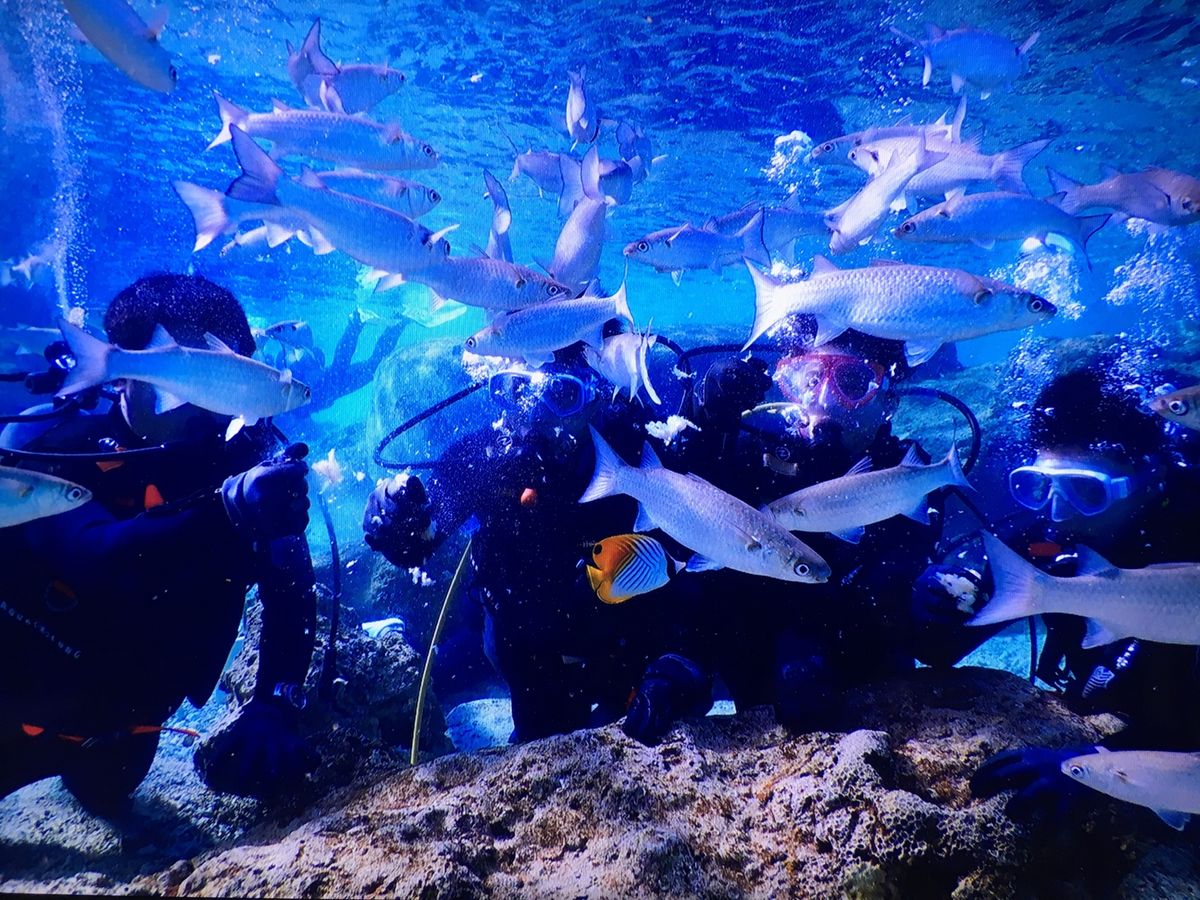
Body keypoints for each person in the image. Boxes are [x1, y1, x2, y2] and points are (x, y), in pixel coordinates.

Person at [0, 273, 318, 812]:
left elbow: (290, 586)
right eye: (192, 371)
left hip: (124, 725)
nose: (208, 399)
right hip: (13, 697)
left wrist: (275, 701)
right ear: (123, 372)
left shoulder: (244, 456)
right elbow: (92, 559)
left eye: (228, 373)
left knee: (107, 791)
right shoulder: (50, 440)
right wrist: (226, 512)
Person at [622, 326, 962, 744]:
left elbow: (904, 606)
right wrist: (679, 666)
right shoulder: (753, 457)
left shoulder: (908, 478)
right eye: (810, 379)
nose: (825, 399)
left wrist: (929, 602)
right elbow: (698, 563)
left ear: (888, 400)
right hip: (751, 680)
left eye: (853, 382)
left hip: (868, 699)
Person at [911, 365, 1200, 822]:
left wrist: (1112, 766)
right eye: (1040, 485)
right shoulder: (1045, 537)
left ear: (1147, 478)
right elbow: (935, 651)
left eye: (1086, 490)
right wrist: (936, 607)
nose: (1058, 511)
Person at [363, 343, 663, 742]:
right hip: (524, 644)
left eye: (562, 394)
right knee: (536, 730)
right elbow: (421, 540)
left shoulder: (632, 450)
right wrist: (395, 524)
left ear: (596, 398)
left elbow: (684, 558)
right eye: (516, 390)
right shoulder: (482, 456)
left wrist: (671, 667)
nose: (534, 414)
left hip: (618, 639)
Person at [260, 308, 406, 422]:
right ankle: (398, 322)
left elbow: (314, 359)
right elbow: (315, 358)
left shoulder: (285, 364)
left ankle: (359, 321)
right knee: (371, 368)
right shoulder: (283, 368)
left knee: (346, 368)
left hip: (325, 388)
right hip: (329, 391)